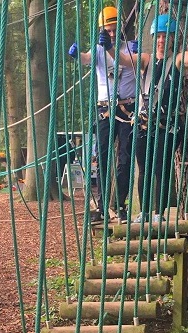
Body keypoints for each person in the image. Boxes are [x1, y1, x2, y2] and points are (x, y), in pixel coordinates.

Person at [116, 14, 188, 223]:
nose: (161, 40)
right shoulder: (146, 60)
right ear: (153, 37)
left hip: (166, 127)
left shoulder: (176, 59)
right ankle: (145, 211)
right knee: (144, 169)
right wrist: (109, 47)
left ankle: (159, 212)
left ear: (171, 38)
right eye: (158, 36)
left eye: (165, 36)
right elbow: (123, 60)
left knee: (161, 167)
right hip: (144, 126)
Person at [69, 6, 137, 223]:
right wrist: (75, 54)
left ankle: (120, 204)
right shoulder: (98, 50)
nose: (111, 34)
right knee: (104, 158)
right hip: (105, 109)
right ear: (102, 31)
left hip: (127, 108)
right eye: (107, 30)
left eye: (115, 29)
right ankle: (101, 206)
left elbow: (133, 64)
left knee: (125, 159)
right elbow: (86, 58)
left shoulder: (131, 49)